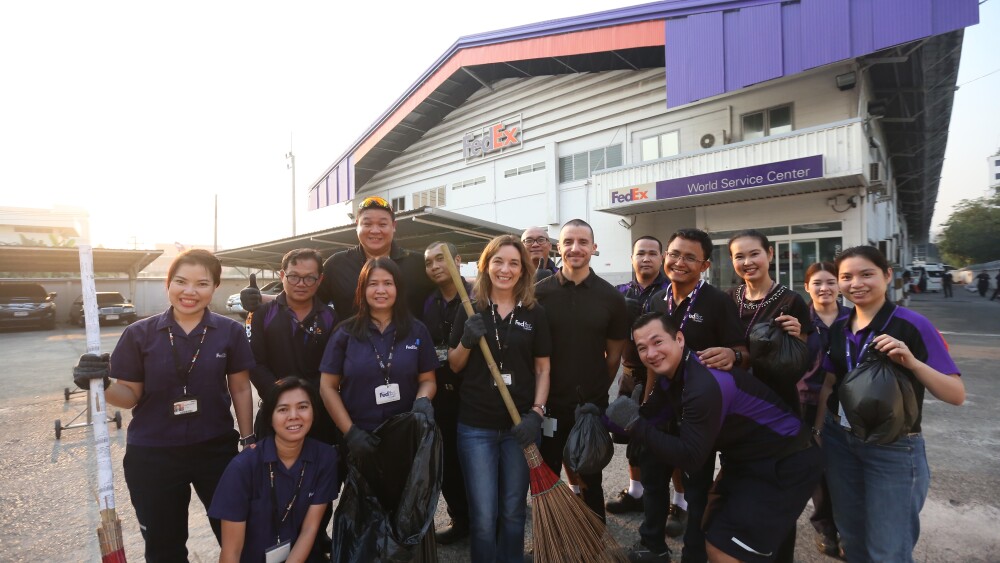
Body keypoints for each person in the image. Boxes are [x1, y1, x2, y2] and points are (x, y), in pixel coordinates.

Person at [606, 313, 822, 563]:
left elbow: (690, 457)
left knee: (725, 550)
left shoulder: (702, 383)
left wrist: (634, 424)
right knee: (716, 530)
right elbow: (651, 415)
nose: (651, 353)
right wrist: (598, 419)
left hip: (786, 463)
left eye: (657, 342)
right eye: (642, 348)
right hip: (747, 462)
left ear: (679, 339)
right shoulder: (676, 374)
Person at [97, 249, 256, 562]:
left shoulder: (230, 332)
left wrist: (248, 438)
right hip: (153, 455)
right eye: (181, 281)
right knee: (164, 547)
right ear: (167, 284)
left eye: (202, 284)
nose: (190, 291)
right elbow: (129, 396)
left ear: (215, 288)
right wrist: (101, 386)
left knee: (238, 536)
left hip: (215, 451)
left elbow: (239, 387)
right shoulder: (138, 334)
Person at [816, 246, 965, 562]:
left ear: (887, 275)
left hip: (894, 449)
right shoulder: (840, 328)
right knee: (852, 540)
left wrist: (912, 363)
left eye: (866, 274)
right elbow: (829, 385)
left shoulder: (912, 325)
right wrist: (819, 434)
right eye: (847, 276)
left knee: (888, 549)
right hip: (840, 442)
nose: (856, 283)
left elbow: (956, 394)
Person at [636, 228, 745, 563]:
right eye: (674, 254)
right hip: (660, 409)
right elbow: (651, 357)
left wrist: (734, 355)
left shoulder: (718, 302)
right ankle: (652, 545)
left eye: (689, 257)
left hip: (698, 413)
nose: (679, 262)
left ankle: (693, 554)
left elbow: (741, 349)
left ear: (705, 264)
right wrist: (646, 402)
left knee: (696, 490)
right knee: (653, 481)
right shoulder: (656, 299)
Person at [448, 235, 551, 563]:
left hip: (519, 427)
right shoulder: (469, 308)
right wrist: (466, 340)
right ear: (485, 265)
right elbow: (454, 364)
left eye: (513, 263)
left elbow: (543, 369)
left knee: (512, 512)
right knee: (482, 516)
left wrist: (537, 413)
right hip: (475, 427)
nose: (505, 269)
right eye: (498, 261)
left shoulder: (534, 313)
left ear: (523, 271)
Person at [725, 230, 813, 562]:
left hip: (776, 409)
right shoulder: (728, 298)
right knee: (739, 480)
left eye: (754, 254)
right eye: (739, 256)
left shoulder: (791, 302)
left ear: (770, 254)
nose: (747, 262)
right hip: (736, 410)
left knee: (775, 490)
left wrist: (796, 338)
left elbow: (799, 361)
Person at [535, 219, 628, 522]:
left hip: (589, 404)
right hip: (548, 403)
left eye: (583, 242)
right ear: (558, 247)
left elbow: (614, 355)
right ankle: (551, 536)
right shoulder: (538, 294)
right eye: (569, 242)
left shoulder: (610, 297)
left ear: (594, 248)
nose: (576, 248)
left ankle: (596, 539)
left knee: (591, 475)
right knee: (546, 476)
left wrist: (596, 388)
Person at [247, 248, 339, 553]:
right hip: (274, 411)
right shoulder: (263, 314)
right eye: (295, 276)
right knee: (272, 480)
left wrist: (306, 399)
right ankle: (280, 539)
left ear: (320, 279)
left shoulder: (330, 316)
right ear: (282, 275)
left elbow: (333, 365)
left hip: (320, 412)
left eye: (310, 277)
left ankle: (317, 534)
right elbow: (255, 362)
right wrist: (280, 395)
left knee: (321, 476)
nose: (302, 283)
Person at [318, 257, 438, 462]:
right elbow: (327, 387)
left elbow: (428, 379)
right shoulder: (345, 333)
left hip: (405, 436)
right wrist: (351, 432)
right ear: (362, 289)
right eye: (373, 284)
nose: (380, 290)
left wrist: (422, 401)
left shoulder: (417, 330)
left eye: (388, 283)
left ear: (398, 288)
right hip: (360, 437)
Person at [210, 377, 339, 563]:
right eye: (283, 409)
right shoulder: (242, 468)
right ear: (269, 417)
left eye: (303, 407)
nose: (294, 415)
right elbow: (232, 551)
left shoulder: (325, 457)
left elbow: (310, 529)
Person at [241, 196, 435, 320]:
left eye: (382, 224)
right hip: (353, 359)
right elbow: (306, 298)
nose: (375, 230)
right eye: (367, 223)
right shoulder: (337, 264)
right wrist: (260, 299)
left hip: (411, 357)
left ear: (394, 226)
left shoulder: (417, 264)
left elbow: (451, 289)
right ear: (357, 225)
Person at [606, 236, 669, 516]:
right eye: (640, 253)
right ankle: (636, 492)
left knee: (667, 437)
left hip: (667, 377)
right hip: (630, 373)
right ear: (632, 258)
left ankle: (678, 503)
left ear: (662, 257)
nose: (646, 258)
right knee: (631, 436)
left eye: (652, 253)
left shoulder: (671, 291)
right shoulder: (618, 291)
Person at [422, 241, 471, 544]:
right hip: (440, 393)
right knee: (448, 462)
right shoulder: (427, 303)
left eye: (441, 259)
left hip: (475, 393)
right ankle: (460, 519)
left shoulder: (477, 296)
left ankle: (486, 520)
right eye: (429, 263)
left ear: (458, 260)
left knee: (478, 460)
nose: (435, 266)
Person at [800, 262, 849, 557]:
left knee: (846, 466)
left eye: (831, 282)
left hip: (848, 403)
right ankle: (825, 526)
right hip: (807, 402)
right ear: (807, 287)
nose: (824, 288)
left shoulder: (854, 319)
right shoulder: (797, 321)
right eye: (817, 283)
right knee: (818, 467)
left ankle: (848, 526)